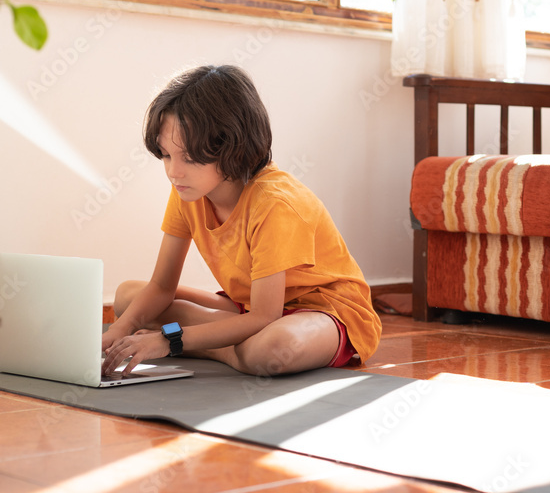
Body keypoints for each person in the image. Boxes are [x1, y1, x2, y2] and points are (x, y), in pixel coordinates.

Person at [101, 65, 381, 377]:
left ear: (231, 146)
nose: (174, 172)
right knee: (128, 298)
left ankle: (209, 346)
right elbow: (162, 286)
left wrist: (170, 340)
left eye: (189, 158)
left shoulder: (275, 203)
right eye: (167, 155)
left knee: (273, 348)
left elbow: (265, 316)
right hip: (249, 308)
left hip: (324, 312)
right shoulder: (187, 190)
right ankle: (230, 343)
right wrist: (117, 332)